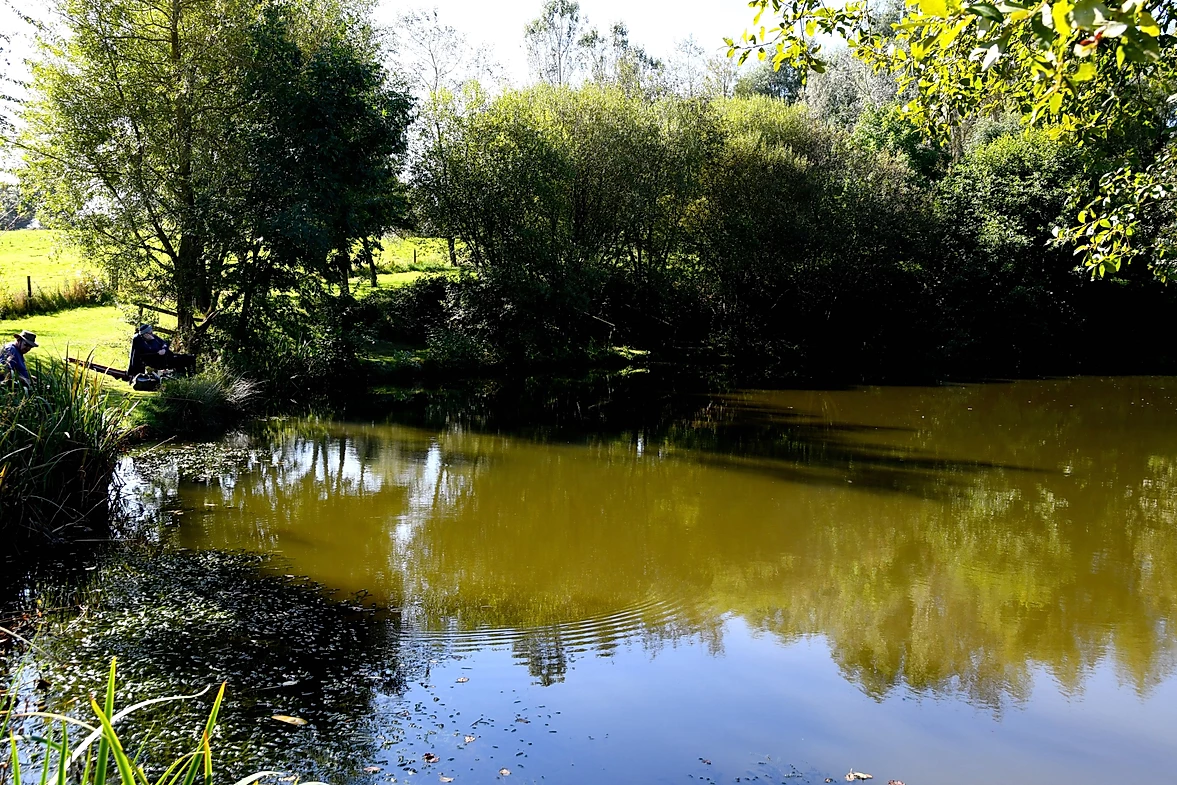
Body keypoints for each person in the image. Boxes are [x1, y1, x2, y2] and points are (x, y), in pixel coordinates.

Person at [126, 324, 196, 380]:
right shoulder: (143, 343)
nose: (152, 333)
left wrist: (164, 349)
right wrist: (153, 341)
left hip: (168, 356)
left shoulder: (153, 337)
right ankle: (191, 379)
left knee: (189, 358)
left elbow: (164, 343)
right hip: (161, 361)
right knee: (188, 360)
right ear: (145, 334)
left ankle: (187, 379)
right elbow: (152, 350)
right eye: (150, 332)